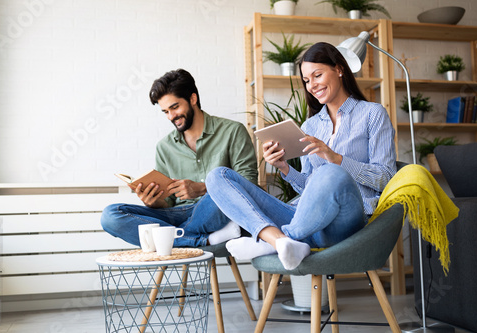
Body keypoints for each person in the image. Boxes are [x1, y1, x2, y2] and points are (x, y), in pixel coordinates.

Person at [205, 42, 397, 270]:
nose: (312, 85)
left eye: (317, 75)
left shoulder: (372, 114)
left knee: (330, 172)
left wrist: (336, 159)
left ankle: (277, 240)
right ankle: (281, 241)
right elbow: (309, 188)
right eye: (307, 81)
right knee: (217, 176)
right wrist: (285, 168)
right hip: (306, 220)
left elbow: (387, 178)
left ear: (339, 69)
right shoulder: (311, 125)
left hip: (346, 223)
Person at [101, 69, 258, 248]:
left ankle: (173, 238)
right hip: (176, 214)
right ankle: (201, 239)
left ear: (192, 99)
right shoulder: (164, 146)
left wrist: (202, 189)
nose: (171, 116)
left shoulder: (232, 131)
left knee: (223, 198)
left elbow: (249, 185)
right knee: (111, 216)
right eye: (165, 111)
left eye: (175, 107)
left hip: (214, 209)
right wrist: (152, 200)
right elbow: (166, 203)